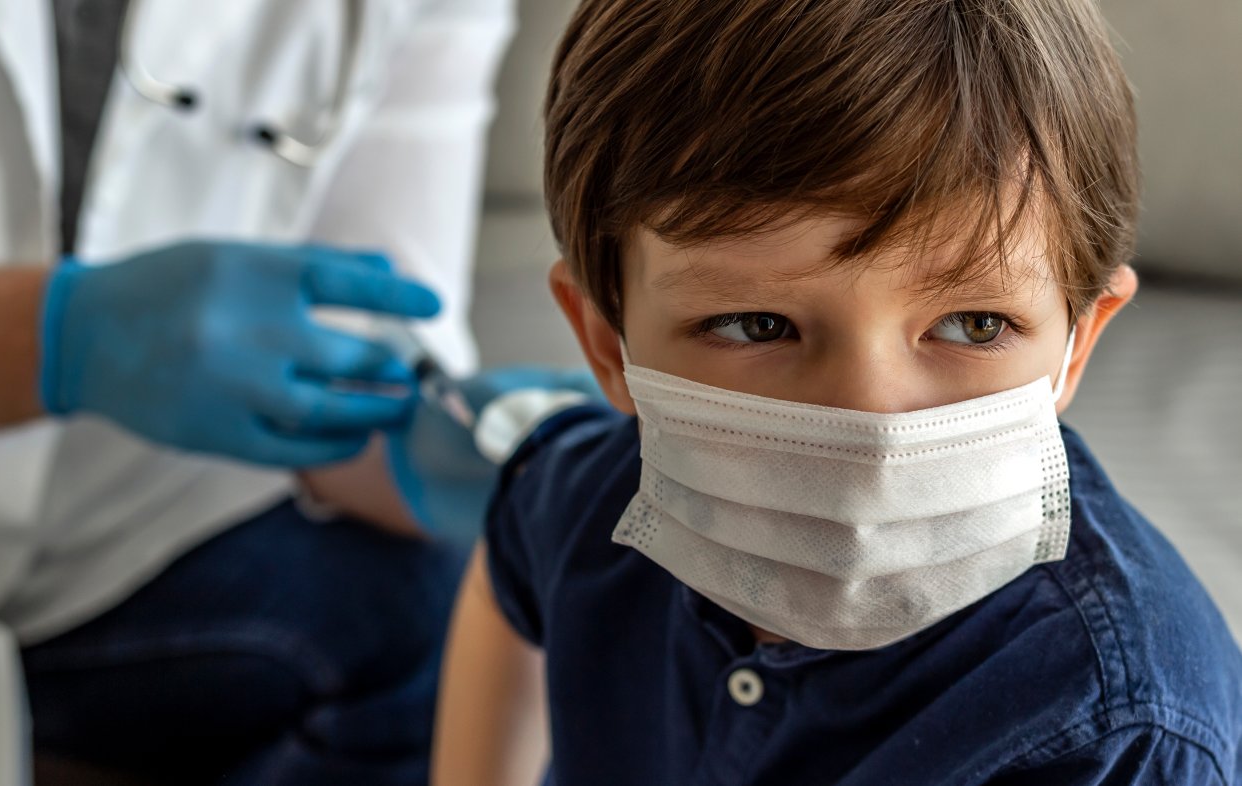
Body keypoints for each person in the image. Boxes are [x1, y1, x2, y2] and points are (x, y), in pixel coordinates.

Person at [432, 0, 1242, 783]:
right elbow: (511, 565)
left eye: (972, 326)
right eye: (756, 325)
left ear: (1075, 348)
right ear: (607, 344)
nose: (867, 416)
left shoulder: (1118, 731)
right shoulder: (590, 499)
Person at [0, 0, 554, 783]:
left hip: (109, 543)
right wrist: (50, 339)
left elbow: (376, 325)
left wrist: (432, 441)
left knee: (424, 611)